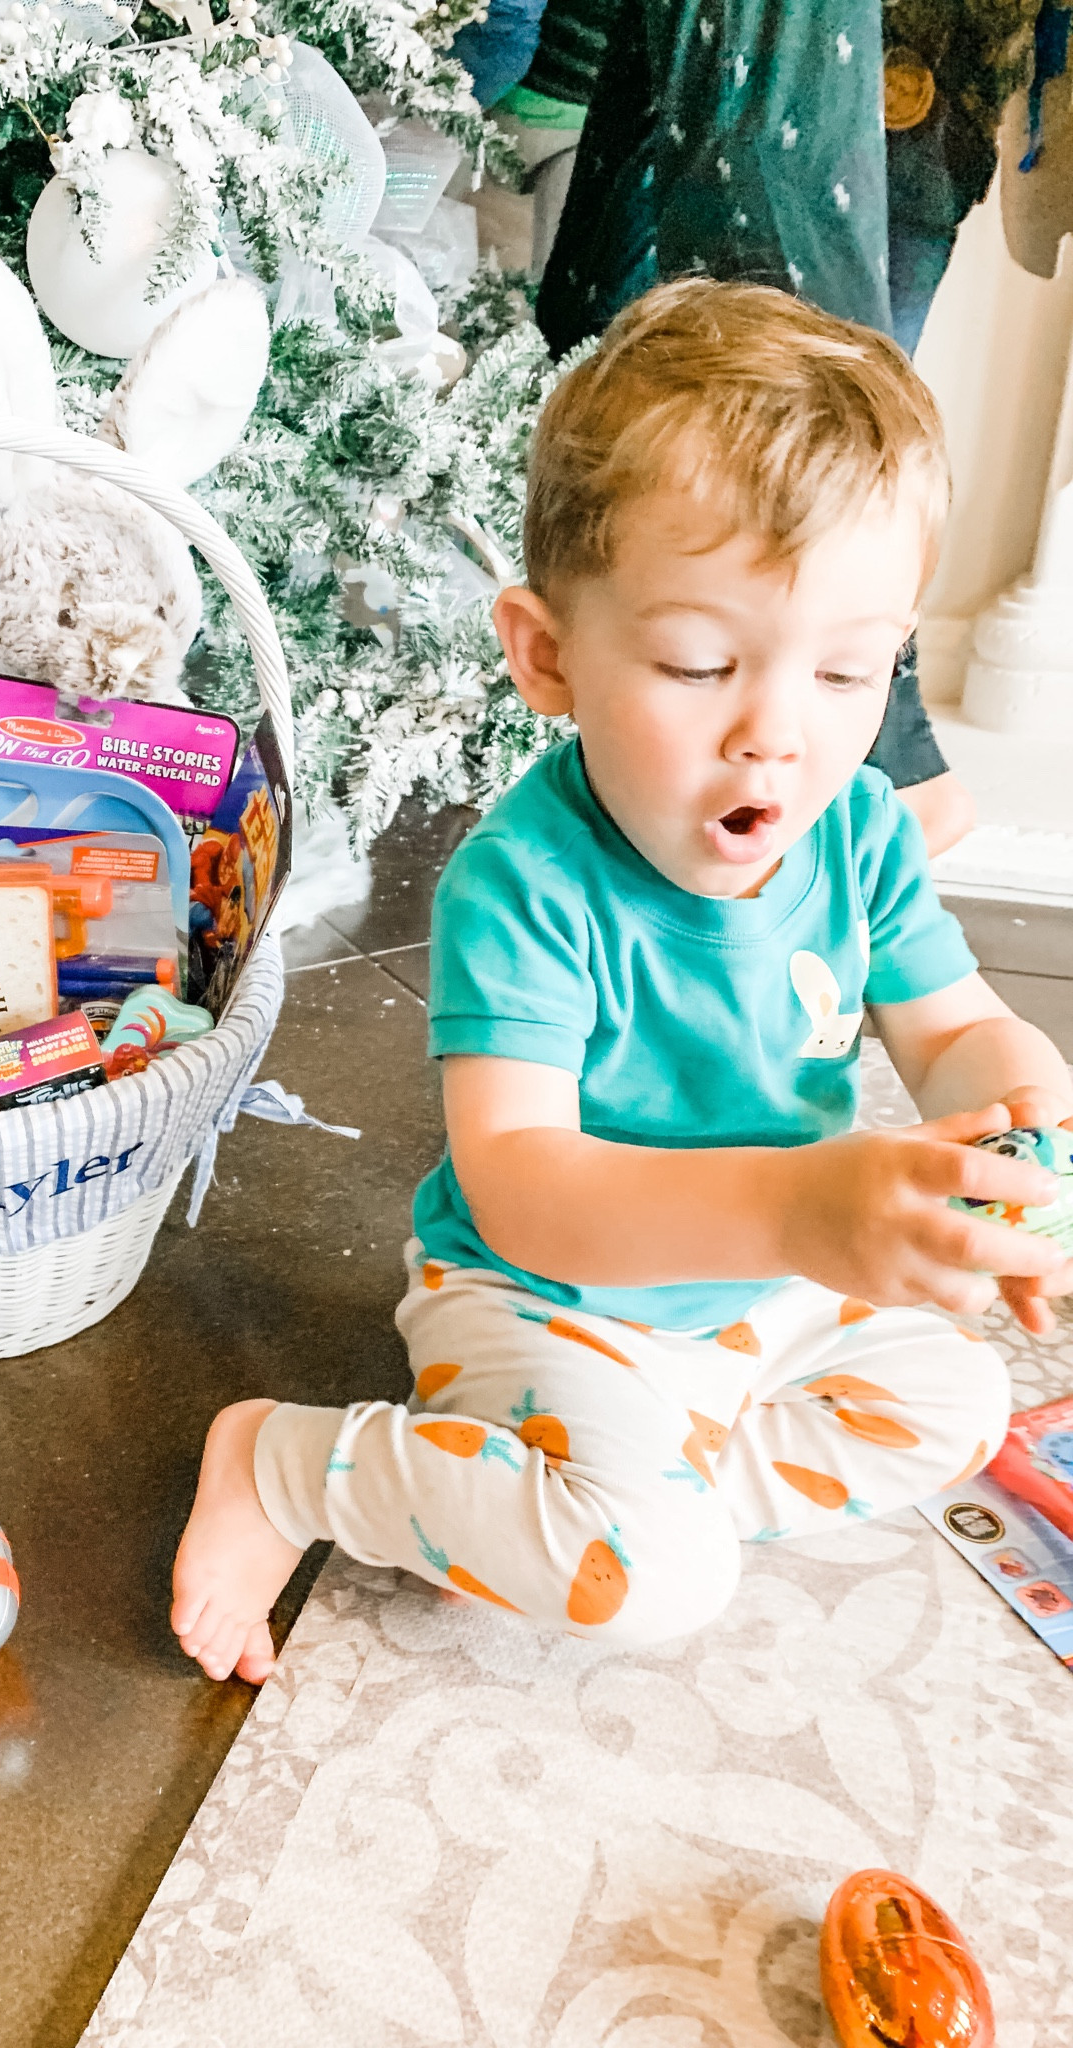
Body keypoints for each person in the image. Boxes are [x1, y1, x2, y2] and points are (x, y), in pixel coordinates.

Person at [171, 280, 1073, 1684]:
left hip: (760, 1291)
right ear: (548, 654)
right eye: (701, 663)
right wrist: (802, 1209)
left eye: (849, 673)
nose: (777, 735)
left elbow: (952, 1026)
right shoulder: (525, 884)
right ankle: (291, 1464)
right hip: (547, 1296)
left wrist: (1016, 1097)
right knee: (651, 1588)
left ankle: (638, 1483)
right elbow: (529, 1185)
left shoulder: (861, 835)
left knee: (959, 1401)